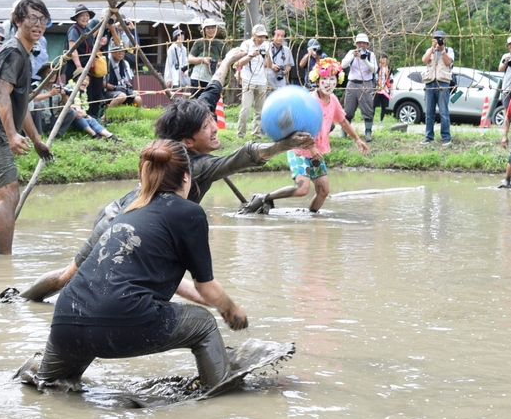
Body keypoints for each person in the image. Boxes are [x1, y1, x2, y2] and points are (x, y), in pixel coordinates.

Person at [19, 48, 314, 302]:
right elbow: (243, 157)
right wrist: (284, 145)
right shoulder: (189, 165)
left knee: (88, 278)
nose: (213, 126)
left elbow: (212, 89)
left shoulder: (193, 126)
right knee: (70, 276)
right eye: (206, 125)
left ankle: (25, 301)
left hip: (134, 217)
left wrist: (227, 60)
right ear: (188, 141)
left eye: (212, 119)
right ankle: (21, 301)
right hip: (119, 220)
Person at [18, 139, 249, 392]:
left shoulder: (129, 208)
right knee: (203, 324)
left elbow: (146, 278)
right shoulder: (188, 212)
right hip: (118, 319)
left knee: (50, 385)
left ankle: (37, 370)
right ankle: (221, 391)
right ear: (186, 177)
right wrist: (231, 309)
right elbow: (205, 286)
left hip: (67, 318)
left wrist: (217, 302)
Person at [0, 0, 53, 255]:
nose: (38, 24)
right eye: (32, 18)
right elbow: (1, 94)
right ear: (18, 20)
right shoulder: (13, 51)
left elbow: (20, 104)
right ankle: (5, 263)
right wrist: (12, 134)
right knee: (10, 195)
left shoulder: (22, 53)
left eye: (42, 19)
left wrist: (36, 139)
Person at [244, 57, 370, 214]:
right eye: (325, 79)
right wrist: (311, 148)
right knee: (302, 189)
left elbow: (343, 121)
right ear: (317, 81)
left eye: (332, 79)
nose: (328, 83)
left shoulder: (334, 100)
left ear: (337, 81)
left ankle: (312, 218)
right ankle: (265, 198)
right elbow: (301, 129)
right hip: (299, 150)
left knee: (323, 191)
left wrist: (357, 139)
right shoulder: (309, 100)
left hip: (317, 154)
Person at [64, 4, 106, 118]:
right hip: (76, 66)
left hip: (88, 66)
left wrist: (100, 45)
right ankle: (74, 119)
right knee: (74, 92)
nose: (85, 18)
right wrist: (78, 67)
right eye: (82, 15)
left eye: (87, 15)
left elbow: (92, 49)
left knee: (89, 92)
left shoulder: (87, 29)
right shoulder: (74, 29)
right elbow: (73, 49)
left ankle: (90, 117)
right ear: (76, 18)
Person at [420, 30, 455, 146]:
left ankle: (446, 136)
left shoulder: (449, 50)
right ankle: (428, 136)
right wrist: (432, 48)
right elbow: (424, 60)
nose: (438, 40)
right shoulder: (429, 50)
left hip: (443, 83)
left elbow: (449, 62)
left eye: (440, 38)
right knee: (429, 112)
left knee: (444, 111)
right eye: (435, 38)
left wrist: (442, 51)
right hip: (430, 82)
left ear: (444, 40)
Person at [341, 32, 378, 142]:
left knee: (368, 109)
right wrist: (353, 55)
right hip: (352, 83)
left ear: (367, 44)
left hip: (366, 84)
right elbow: (343, 65)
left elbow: (375, 69)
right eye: (359, 43)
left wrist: (364, 59)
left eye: (363, 43)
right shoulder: (350, 52)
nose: (361, 45)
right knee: (348, 109)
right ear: (356, 44)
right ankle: (345, 132)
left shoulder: (371, 55)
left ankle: (368, 132)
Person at [236, 24, 269, 138]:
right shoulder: (246, 44)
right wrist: (251, 55)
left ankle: (256, 134)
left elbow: (268, 65)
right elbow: (239, 63)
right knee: (246, 109)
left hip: (262, 81)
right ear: (253, 35)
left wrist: (268, 56)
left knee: (260, 110)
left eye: (263, 36)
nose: (261, 39)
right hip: (248, 80)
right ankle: (240, 134)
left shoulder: (266, 45)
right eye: (259, 36)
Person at [68, 75, 121, 141]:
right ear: (75, 80)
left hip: (80, 117)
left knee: (91, 119)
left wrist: (86, 115)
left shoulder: (83, 92)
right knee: (77, 115)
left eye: (87, 80)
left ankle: (111, 136)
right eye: (83, 79)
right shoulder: (68, 89)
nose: (85, 81)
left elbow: (83, 109)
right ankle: (95, 135)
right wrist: (77, 107)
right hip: (68, 118)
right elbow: (64, 105)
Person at [30, 64, 76, 137]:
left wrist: (64, 96)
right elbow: (29, 99)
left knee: (71, 112)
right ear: (43, 74)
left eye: (55, 73)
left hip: (53, 120)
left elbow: (68, 105)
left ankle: (56, 134)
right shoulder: (35, 86)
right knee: (36, 105)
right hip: (39, 120)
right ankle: (38, 134)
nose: (53, 75)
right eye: (49, 72)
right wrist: (50, 94)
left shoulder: (57, 88)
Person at [188, 17, 225, 98]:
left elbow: (227, 60)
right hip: (198, 77)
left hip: (213, 78)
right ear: (204, 30)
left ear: (216, 29)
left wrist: (217, 63)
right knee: (195, 102)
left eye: (213, 27)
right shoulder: (198, 42)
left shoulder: (221, 44)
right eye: (208, 28)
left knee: (210, 102)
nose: (211, 30)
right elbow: (190, 58)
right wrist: (202, 60)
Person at [265, 27, 294, 93]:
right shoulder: (266, 47)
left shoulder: (287, 50)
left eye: (282, 36)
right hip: (266, 82)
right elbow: (260, 62)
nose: (280, 38)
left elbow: (289, 65)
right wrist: (271, 65)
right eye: (278, 35)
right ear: (272, 37)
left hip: (280, 83)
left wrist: (285, 71)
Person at [373, 53, 392, 127]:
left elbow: (391, 79)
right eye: (382, 58)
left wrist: (391, 90)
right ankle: (371, 119)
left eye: (385, 58)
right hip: (377, 89)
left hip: (385, 90)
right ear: (379, 59)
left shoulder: (389, 68)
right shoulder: (376, 68)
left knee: (384, 106)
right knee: (373, 105)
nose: (383, 59)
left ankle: (381, 120)